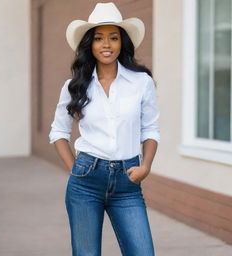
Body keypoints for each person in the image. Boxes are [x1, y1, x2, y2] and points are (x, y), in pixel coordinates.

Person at [49, 2, 160, 256]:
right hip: (86, 181)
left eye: (113, 37)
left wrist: (146, 167)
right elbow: (58, 132)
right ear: (91, 44)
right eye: (99, 38)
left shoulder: (141, 82)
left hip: (128, 182)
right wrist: (74, 170)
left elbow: (151, 128)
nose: (106, 44)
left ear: (122, 43)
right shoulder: (74, 86)